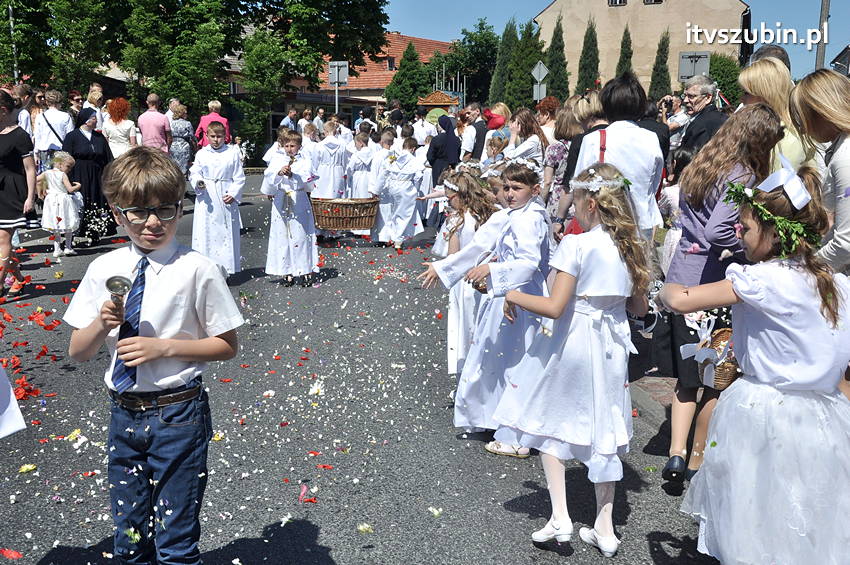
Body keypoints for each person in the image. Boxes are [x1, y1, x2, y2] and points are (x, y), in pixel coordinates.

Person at [660, 165, 850, 564]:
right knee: (810, 513)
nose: (736, 234)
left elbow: (681, 300)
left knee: (756, 511)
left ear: (774, 232)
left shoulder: (762, 280)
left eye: (744, 228)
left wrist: (670, 282)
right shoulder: (836, 283)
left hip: (765, 411)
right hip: (824, 413)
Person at [64, 146, 243, 564]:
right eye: (138, 212)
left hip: (177, 413)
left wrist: (164, 347)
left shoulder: (197, 269)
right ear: (116, 211)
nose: (152, 223)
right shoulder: (103, 268)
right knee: (128, 537)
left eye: (165, 210)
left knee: (175, 539)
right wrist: (100, 325)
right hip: (124, 413)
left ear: (180, 208)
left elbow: (227, 345)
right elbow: (78, 351)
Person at [495, 163, 649, 557]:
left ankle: (561, 515)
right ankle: (604, 526)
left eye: (577, 202)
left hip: (575, 340)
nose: (573, 209)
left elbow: (554, 305)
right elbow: (639, 306)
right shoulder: (630, 246)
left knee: (550, 418)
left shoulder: (577, 244)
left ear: (592, 203)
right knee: (604, 424)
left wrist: (511, 295)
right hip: (612, 344)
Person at [655, 103, 783, 483]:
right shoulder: (741, 173)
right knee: (714, 380)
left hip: (682, 272)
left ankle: (675, 453)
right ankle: (696, 459)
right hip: (711, 282)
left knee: (686, 377)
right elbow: (717, 232)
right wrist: (745, 247)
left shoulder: (705, 161)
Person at [418, 160, 550, 438]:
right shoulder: (506, 215)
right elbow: (479, 246)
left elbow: (530, 263)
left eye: (517, 188)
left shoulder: (531, 218)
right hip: (500, 294)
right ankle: (490, 414)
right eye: (507, 187)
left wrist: (493, 269)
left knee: (518, 357)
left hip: (524, 296)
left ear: (535, 189)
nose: (510, 193)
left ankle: (516, 423)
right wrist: (442, 268)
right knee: (491, 355)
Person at [789, 69, 850, 400]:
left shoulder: (845, 156)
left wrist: (806, 266)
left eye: (804, 119)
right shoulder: (839, 150)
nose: (804, 128)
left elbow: (847, 240)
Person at [575, 73, 663, 239]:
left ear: (606, 105)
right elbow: (654, 183)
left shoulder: (593, 139)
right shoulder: (651, 138)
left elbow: (580, 185)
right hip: (641, 222)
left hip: (604, 222)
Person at [440, 171, 498, 375]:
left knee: (466, 330)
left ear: (458, 195)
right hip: (488, 281)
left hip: (464, 283)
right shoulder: (488, 215)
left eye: (449, 199)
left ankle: (466, 374)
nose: (448, 203)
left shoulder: (458, 220)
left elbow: (452, 255)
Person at [261, 130, 319, 286]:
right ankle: (287, 271)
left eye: (292, 145)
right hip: (282, 199)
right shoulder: (278, 159)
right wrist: (279, 173)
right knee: (282, 235)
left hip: (298, 199)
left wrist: (293, 175)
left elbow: (308, 179)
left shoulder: (305, 160)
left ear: (299, 146)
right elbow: (269, 177)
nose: (289, 149)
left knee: (301, 235)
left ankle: (305, 269)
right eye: (286, 145)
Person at [188, 122, 245, 274]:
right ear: (206, 136)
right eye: (212, 136)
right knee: (206, 232)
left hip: (225, 194)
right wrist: (199, 182)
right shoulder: (202, 153)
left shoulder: (232, 153)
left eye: (219, 136)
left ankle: (226, 268)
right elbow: (194, 172)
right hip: (207, 196)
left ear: (225, 137)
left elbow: (239, 177)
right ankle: (206, 269)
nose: (216, 140)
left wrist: (233, 193)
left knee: (225, 233)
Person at [739, 56, 811, 172]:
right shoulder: (763, 130)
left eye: (746, 93)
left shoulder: (783, 140)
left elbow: (774, 187)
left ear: (765, 95)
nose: (741, 99)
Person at [0, 90, 37, 297]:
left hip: (12, 192)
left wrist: (30, 198)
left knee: (3, 240)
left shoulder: (20, 135)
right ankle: (20, 279)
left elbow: (30, 169)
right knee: (3, 244)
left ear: (3, 111)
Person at [62, 107, 115, 246]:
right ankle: (73, 235)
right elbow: (65, 157)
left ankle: (94, 232)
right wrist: (65, 176)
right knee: (78, 203)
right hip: (78, 173)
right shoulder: (72, 136)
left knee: (95, 200)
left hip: (97, 174)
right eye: (93, 117)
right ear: (85, 120)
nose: (96, 120)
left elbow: (107, 156)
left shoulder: (98, 137)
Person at [372, 137, 423, 251]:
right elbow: (419, 176)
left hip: (393, 186)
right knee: (404, 214)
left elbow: (383, 173)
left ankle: (393, 235)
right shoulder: (413, 159)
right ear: (413, 149)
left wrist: (376, 190)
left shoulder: (394, 157)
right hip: (406, 187)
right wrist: (416, 189)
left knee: (394, 212)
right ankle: (398, 238)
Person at [37, 152, 81, 257]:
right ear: (60, 164)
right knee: (68, 222)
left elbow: (36, 180)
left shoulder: (47, 173)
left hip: (51, 200)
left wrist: (40, 192)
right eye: (68, 167)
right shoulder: (62, 174)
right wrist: (78, 186)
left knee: (56, 225)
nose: (69, 170)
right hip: (63, 200)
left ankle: (57, 250)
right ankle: (68, 247)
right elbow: (70, 189)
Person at [543, 105, 582, 218]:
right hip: (577, 197)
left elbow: (547, 182)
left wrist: (540, 203)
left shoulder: (554, 149)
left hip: (558, 200)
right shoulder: (582, 144)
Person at [679, 75, 727, 155]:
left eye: (691, 96)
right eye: (684, 96)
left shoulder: (701, 125)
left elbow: (691, 158)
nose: (685, 100)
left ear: (708, 98)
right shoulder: (724, 118)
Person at [33, 89, 74, 172]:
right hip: (61, 152)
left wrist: (35, 153)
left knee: (46, 179)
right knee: (59, 178)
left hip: (44, 152)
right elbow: (70, 136)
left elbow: (37, 136)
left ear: (47, 102)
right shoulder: (66, 116)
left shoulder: (40, 117)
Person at [311, 121, 347, 200]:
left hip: (322, 172)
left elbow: (314, 163)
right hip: (338, 171)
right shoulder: (342, 145)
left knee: (323, 196)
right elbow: (344, 162)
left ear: (325, 131)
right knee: (336, 196)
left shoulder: (319, 145)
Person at [427, 115, 461, 186]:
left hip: (438, 166)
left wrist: (434, 163)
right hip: (451, 167)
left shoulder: (436, 139)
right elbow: (458, 155)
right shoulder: (456, 139)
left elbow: (430, 156)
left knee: (438, 188)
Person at [168, 104, 196, 177]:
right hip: (184, 147)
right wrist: (195, 148)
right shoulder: (187, 123)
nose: (186, 113)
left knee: (174, 169)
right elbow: (192, 137)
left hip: (173, 147)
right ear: (181, 113)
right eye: (185, 112)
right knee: (183, 170)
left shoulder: (170, 123)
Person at [346, 132, 373, 199]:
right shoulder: (373, 154)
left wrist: (349, 179)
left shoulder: (356, 155)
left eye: (356, 143)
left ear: (361, 143)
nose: (355, 146)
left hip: (358, 178)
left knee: (358, 196)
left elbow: (350, 169)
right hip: (369, 177)